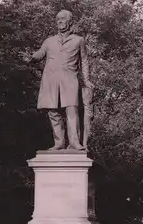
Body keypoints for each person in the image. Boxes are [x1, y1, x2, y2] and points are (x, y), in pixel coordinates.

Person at [27, 10, 94, 150]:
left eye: (63, 19)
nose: (60, 21)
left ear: (70, 22)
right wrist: (31, 58)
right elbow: (40, 54)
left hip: (70, 79)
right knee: (53, 111)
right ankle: (59, 142)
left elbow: (85, 61)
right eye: (58, 19)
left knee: (72, 109)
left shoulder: (78, 40)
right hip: (50, 79)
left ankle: (75, 142)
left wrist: (86, 80)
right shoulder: (49, 41)